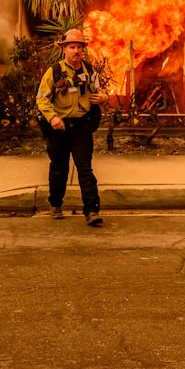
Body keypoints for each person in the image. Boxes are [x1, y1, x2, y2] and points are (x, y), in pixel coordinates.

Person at [36, 29, 108, 226]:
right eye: (72, 47)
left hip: (82, 128)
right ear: (64, 49)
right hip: (59, 129)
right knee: (59, 168)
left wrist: (103, 98)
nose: (76, 51)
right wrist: (52, 118)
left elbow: (98, 91)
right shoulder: (54, 72)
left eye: (79, 47)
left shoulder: (89, 71)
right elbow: (42, 100)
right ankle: (56, 204)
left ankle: (92, 211)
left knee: (85, 169)